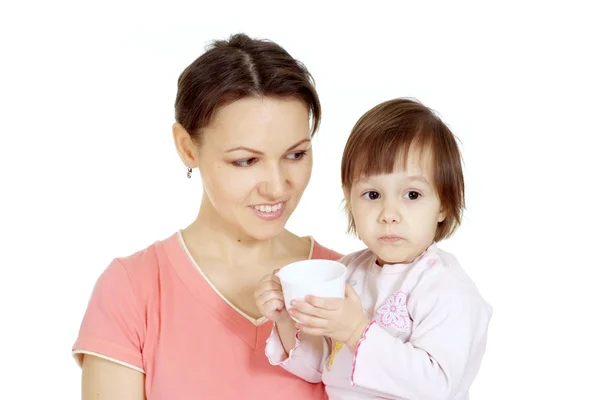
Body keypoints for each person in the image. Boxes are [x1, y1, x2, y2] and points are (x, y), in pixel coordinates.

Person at [72, 33, 342, 399]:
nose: (278, 188)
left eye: (295, 155)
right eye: (246, 161)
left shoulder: (357, 281)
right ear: (187, 148)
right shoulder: (133, 290)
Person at [256, 98, 493, 399]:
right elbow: (320, 368)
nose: (388, 213)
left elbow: (437, 387)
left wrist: (356, 330)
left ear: (443, 204)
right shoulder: (348, 273)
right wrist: (286, 319)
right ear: (349, 199)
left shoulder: (446, 288)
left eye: (412, 194)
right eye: (372, 194)